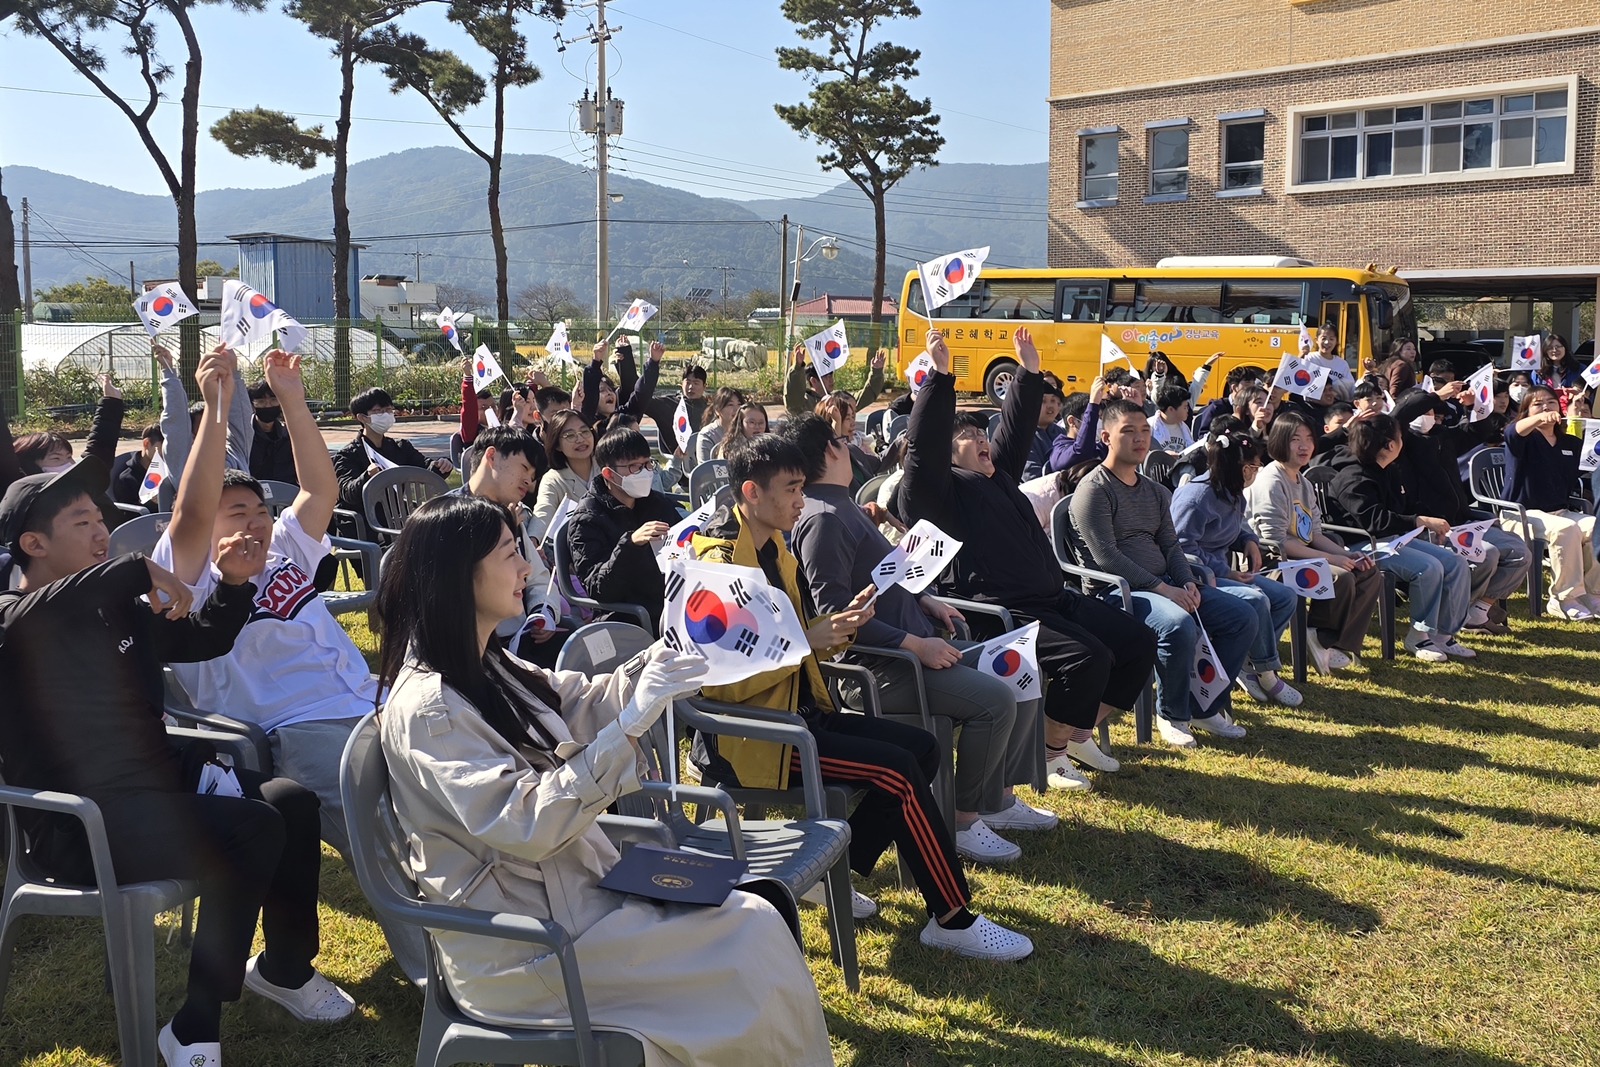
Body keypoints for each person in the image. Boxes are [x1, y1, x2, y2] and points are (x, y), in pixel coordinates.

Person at [374, 493, 832, 1066]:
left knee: (756, 919)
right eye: (511, 554)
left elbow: (579, 699)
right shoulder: (431, 709)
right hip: (526, 949)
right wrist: (632, 722)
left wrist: (667, 658)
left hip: (576, 899)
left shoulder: (487, 662)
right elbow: (527, 822)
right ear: (456, 577)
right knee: (747, 951)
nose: (527, 569)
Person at [0, 433, 353, 1067]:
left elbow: (198, 641)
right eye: (83, 521)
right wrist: (138, 568)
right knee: (251, 829)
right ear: (33, 543)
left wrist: (237, 587)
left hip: (159, 787)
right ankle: (195, 1022)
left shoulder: (112, 609)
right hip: (81, 823)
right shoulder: (14, 618)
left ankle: (284, 967)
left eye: (102, 517)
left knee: (290, 802)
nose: (104, 529)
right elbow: (38, 612)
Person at [692, 434, 1033, 959]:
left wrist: (840, 627)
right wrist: (811, 638)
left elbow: (794, 640)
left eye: (802, 487)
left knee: (921, 748)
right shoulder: (716, 564)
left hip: (799, 714)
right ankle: (952, 915)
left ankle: (827, 868)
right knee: (896, 773)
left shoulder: (774, 546)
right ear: (750, 493)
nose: (801, 500)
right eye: (790, 489)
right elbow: (721, 681)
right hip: (752, 736)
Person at [785, 413, 1056, 866]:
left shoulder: (842, 503)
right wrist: (915, 645)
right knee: (996, 699)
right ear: (831, 450)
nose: (849, 445)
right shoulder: (824, 518)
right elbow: (837, 618)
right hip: (879, 669)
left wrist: (926, 600)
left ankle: (998, 798)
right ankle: (963, 820)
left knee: (1021, 669)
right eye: (842, 439)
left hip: (911, 650)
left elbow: (879, 579)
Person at [897, 328, 1157, 785]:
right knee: (1087, 658)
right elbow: (922, 448)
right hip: (1003, 611)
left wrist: (1028, 372)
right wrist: (939, 378)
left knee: (1137, 641)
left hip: (1053, 599)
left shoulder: (995, 475)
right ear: (948, 454)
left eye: (982, 432)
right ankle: (1050, 750)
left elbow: (1014, 431)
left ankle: (1074, 732)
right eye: (968, 437)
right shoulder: (939, 494)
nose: (982, 440)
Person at [1071, 398, 1258, 746]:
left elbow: (1172, 546)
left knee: (1242, 616)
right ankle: (1172, 714)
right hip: (1116, 593)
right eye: (1128, 431)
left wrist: (1186, 580)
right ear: (1107, 437)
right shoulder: (1093, 490)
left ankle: (1203, 707)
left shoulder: (1156, 491)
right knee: (1176, 624)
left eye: (1144, 430)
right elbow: (1106, 557)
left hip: (1166, 584)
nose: (1140, 438)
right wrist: (1164, 589)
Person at [1322, 413, 1476, 660]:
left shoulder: (1387, 469)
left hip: (1394, 540)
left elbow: (1403, 506)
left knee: (1456, 562)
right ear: (1390, 445)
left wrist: (1430, 522)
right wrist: (1419, 521)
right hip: (1362, 545)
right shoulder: (1351, 475)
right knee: (1429, 568)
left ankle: (1442, 635)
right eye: (1400, 436)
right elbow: (1374, 521)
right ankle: (1419, 636)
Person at [1171, 428, 1301, 707]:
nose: (1257, 471)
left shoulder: (1233, 493)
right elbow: (1180, 549)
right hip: (1198, 577)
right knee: (1256, 599)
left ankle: (1247, 661)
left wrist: (1249, 541)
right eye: (1254, 466)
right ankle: (1266, 671)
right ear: (1242, 469)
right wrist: (1226, 572)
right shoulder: (1196, 498)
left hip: (1223, 572)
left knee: (1285, 597)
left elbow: (1237, 527)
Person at [1245, 412, 1381, 671]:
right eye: (1296, 439)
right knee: (1341, 576)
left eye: (1308, 438)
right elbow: (1277, 542)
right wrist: (1333, 560)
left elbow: (1315, 534)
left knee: (1369, 571)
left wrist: (1346, 555)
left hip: (1301, 557)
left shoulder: (1304, 482)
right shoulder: (1271, 480)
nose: (1304, 446)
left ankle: (1336, 642)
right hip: (1274, 562)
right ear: (1280, 442)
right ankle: (1319, 633)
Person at [1385, 388, 1530, 633]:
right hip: (1426, 527)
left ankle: (1477, 610)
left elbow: (1481, 428)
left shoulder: (1444, 436)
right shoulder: (1399, 441)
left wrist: (1474, 406)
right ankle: (1453, 613)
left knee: (1519, 552)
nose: (1428, 415)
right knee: (1487, 553)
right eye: (1422, 411)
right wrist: (1435, 396)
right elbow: (1398, 416)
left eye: (1431, 411)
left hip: (1463, 521)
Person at [448, 425, 563, 664]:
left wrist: (544, 611)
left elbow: (538, 578)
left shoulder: (512, 518)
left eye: (533, 476)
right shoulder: (446, 518)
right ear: (491, 456)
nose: (528, 482)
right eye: (524, 467)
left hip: (521, 642)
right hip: (467, 651)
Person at [565, 427, 684, 625]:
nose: (644, 473)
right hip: (629, 616)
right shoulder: (587, 519)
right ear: (609, 474)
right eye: (633, 467)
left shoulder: (654, 502)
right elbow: (598, 588)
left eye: (647, 464)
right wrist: (630, 544)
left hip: (671, 601)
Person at [1502, 385, 1600, 618]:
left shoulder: (1569, 442)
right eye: (1537, 404)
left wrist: (1581, 414)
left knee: (1597, 528)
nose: (1546, 407)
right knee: (1566, 530)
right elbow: (1512, 432)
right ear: (1525, 411)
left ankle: (1593, 593)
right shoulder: (1522, 438)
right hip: (1521, 514)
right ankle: (1564, 598)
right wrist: (1538, 419)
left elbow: (1591, 456)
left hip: (1561, 511)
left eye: (1551, 402)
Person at [332, 387, 454, 512]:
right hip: (362, 522)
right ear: (362, 417)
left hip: (395, 516)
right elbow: (348, 493)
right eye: (378, 411)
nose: (385, 415)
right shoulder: (347, 455)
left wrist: (443, 465)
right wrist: (367, 476)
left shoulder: (400, 447)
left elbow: (427, 469)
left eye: (388, 410)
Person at [534, 408, 598, 540]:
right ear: (557, 444)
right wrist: (533, 540)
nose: (580, 439)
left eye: (585, 431)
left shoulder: (607, 465)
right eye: (570, 435)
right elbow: (543, 513)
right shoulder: (553, 480)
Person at [815, 390, 885, 493]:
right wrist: (836, 422)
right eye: (847, 418)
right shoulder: (820, 461)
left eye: (853, 416)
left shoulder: (853, 450)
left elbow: (879, 462)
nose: (853, 423)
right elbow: (834, 447)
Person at [1046, 375, 1109, 472]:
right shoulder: (1060, 452)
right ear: (1072, 421)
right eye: (1095, 417)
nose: (1098, 422)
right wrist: (1093, 405)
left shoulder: (1097, 449)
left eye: (1100, 417)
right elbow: (1082, 451)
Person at [643, 361, 708, 447]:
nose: (691, 387)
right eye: (688, 383)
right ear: (681, 384)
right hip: (676, 456)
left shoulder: (711, 410)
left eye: (696, 383)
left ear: (704, 386)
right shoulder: (668, 404)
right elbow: (642, 399)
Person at [246, 378, 297, 486]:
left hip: (287, 497)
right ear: (252, 405)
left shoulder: (291, 436)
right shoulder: (244, 438)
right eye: (261, 401)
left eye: (273, 400)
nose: (268, 405)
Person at [110, 421, 165, 511]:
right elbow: (129, 516)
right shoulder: (126, 479)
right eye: (163, 448)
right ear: (146, 443)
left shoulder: (169, 471)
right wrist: (152, 502)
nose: (167, 454)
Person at [1023, 373, 1066, 480]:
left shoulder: (1062, 432)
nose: (1050, 405)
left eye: (1053, 400)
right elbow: (1032, 477)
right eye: (1043, 401)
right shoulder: (1024, 437)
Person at [692, 386, 745, 464]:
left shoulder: (746, 429)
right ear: (717, 410)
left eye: (739, 404)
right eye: (730, 405)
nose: (736, 409)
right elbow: (705, 468)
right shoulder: (707, 435)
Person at [1151, 385, 1194, 452]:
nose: (1187, 410)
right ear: (1171, 409)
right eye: (1185, 407)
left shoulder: (1184, 428)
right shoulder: (1150, 427)